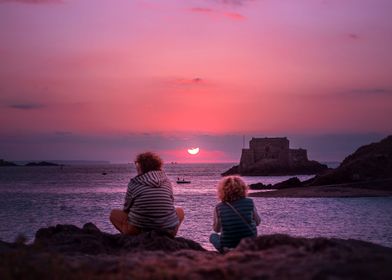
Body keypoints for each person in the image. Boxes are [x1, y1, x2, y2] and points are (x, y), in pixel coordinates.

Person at [110, 152, 184, 237]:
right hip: (168, 230)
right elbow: (171, 203)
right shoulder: (166, 181)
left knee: (114, 214)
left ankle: (132, 238)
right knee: (180, 211)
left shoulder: (134, 182)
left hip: (139, 230)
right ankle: (168, 235)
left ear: (141, 167)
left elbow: (126, 208)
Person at [210, 176, 261, 252]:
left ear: (222, 191)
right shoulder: (250, 202)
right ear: (243, 189)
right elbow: (258, 222)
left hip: (229, 246)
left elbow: (216, 229)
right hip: (249, 244)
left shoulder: (219, 207)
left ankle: (226, 249)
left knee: (213, 236)